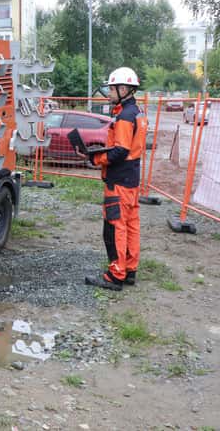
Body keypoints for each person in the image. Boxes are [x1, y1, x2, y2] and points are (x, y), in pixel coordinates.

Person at [77, 67, 147, 291]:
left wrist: (95, 158)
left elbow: (120, 151)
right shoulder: (137, 111)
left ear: (123, 89)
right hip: (132, 179)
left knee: (115, 226)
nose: (108, 92)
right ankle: (129, 269)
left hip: (119, 180)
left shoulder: (125, 116)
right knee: (131, 225)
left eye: (112, 88)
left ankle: (116, 274)